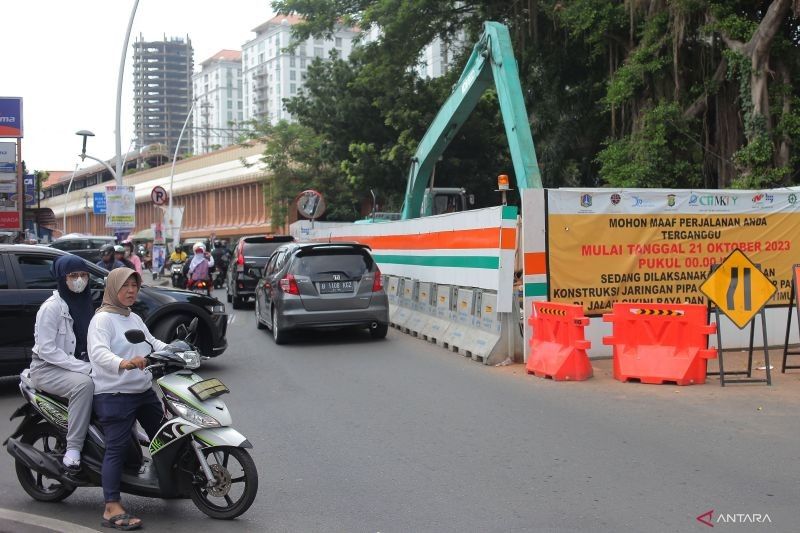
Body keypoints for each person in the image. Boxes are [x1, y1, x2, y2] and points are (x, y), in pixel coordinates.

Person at [88, 268, 169, 531]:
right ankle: (111, 505)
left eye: (134, 285)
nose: (131, 290)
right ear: (113, 288)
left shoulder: (132, 316)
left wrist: (176, 350)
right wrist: (123, 363)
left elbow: (151, 342)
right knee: (117, 448)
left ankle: (169, 480)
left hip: (142, 391)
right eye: (125, 286)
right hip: (114, 393)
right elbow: (98, 353)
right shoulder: (102, 320)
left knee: (164, 435)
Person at [29, 255, 95, 476]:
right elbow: (46, 349)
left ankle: (128, 431)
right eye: (73, 275)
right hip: (47, 369)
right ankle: (73, 448)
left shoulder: (86, 303)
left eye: (83, 275)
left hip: (77, 365)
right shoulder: (52, 308)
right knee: (84, 385)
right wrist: (81, 366)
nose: (79, 280)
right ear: (61, 277)